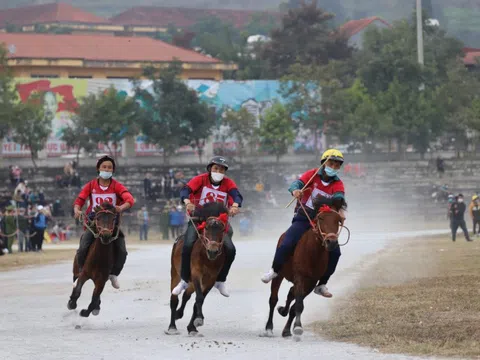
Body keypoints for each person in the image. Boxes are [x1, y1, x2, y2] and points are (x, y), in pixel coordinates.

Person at [260, 149, 347, 298]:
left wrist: (340, 210)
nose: (333, 167)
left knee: (336, 252)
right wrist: (295, 191)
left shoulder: (338, 183)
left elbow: (339, 198)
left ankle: (322, 284)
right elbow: (296, 184)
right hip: (304, 217)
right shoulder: (312, 174)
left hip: (323, 222)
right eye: (330, 163)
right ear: (323, 163)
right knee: (287, 243)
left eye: (336, 165)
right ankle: (274, 270)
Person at [172, 156, 243, 298]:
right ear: (210, 168)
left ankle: (220, 280)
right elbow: (185, 190)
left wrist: (235, 206)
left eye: (222, 169)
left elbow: (237, 195)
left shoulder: (228, 183)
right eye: (216, 168)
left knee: (230, 249)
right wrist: (187, 202)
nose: (218, 171)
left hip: (219, 224)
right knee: (187, 245)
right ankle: (184, 280)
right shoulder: (201, 179)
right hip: (199, 220)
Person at [73, 155, 135, 289]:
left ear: (113, 170)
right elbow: (80, 200)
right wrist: (77, 209)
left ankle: (113, 274)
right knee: (83, 247)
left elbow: (129, 199)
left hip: (112, 226)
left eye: (110, 167)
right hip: (94, 225)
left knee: (122, 251)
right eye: (104, 167)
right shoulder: (90, 185)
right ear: (98, 168)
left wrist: (121, 207)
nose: (107, 169)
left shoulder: (117, 186)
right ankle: (80, 271)